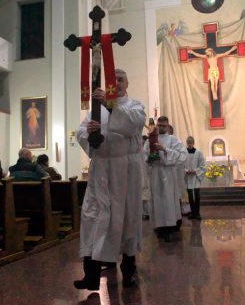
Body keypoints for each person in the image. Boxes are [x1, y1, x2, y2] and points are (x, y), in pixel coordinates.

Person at [74, 69, 145, 290]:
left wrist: (109, 105)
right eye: (113, 79)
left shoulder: (134, 105)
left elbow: (133, 124)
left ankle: (129, 270)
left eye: (121, 78)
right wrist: (90, 135)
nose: (117, 82)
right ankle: (91, 275)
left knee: (126, 219)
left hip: (125, 170)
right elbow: (80, 132)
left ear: (127, 83)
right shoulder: (96, 109)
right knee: (92, 216)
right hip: (101, 168)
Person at [144, 116, 187, 242]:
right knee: (157, 200)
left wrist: (165, 150)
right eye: (159, 125)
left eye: (163, 125)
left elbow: (182, 155)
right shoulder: (151, 139)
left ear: (168, 126)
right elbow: (144, 154)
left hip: (168, 173)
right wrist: (148, 159)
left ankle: (169, 228)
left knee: (168, 201)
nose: (161, 127)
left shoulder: (173, 140)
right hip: (155, 173)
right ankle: (160, 228)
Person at [184, 136, 206, 220]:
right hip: (188, 177)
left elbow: (202, 165)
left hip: (196, 177)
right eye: (188, 143)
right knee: (190, 196)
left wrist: (195, 171)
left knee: (197, 196)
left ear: (193, 143)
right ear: (187, 143)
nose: (189, 144)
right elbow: (181, 164)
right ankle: (192, 213)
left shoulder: (198, 153)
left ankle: (197, 213)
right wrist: (186, 171)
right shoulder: (184, 153)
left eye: (191, 143)